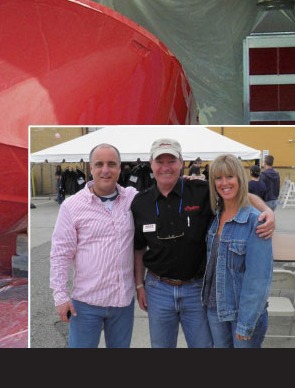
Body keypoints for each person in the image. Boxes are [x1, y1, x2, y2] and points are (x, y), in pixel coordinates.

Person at [132, 138, 275, 348]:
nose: (165, 167)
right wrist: (139, 285)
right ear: (150, 164)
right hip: (158, 289)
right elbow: (138, 248)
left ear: (181, 163)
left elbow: (237, 193)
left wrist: (267, 210)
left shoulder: (201, 190)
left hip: (196, 290)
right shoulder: (139, 202)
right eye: (159, 161)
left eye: (171, 161)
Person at [50, 143, 138, 348]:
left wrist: (186, 183)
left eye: (111, 164)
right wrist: (60, 295)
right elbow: (61, 253)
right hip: (86, 304)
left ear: (119, 168)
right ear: (91, 168)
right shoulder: (72, 206)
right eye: (99, 164)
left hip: (122, 303)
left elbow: (160, 194)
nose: (105, 170)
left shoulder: (132, 198)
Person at [202, 154, 273, 348]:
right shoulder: (214, 216)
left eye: (230, 176)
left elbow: (258, 279)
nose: (224, 183)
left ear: (240, 178)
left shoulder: (255, 221)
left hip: (242, 314)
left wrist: (246, 323)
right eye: (218, 178)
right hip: (215, 309)